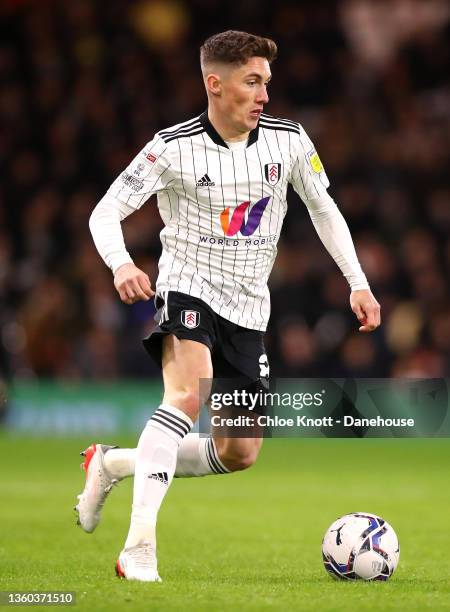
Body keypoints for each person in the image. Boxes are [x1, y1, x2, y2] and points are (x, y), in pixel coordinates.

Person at [75, 30, 380, 582]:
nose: (265, 93)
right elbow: (104, 213)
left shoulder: (289, 142)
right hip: (187, 286)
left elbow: (324, 209)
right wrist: (122, 264)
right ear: (215, 84)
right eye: (252, 81)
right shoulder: (170, 147)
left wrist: (357, 282)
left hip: (249, 308)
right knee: (187, 393)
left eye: (266, 81)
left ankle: (113, 462)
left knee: (239, 451)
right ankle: (139, 547)